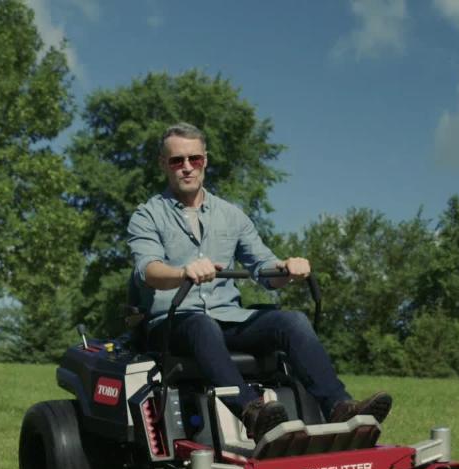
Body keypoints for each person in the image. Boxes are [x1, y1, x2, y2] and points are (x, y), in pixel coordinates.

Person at [127, 123, 391, 440]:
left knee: (291, 320)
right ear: (163, 164)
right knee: (201, 325)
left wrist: (286, 267)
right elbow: (148, 270)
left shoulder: (231, 215)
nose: (186, 168)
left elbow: (265, 270)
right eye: (176, 161)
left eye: (194, 159)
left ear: (205, 161)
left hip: (228, 318)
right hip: (173, 323)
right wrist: (183, 271)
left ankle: (340, 407)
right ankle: (254, 414)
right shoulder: (148, 215)